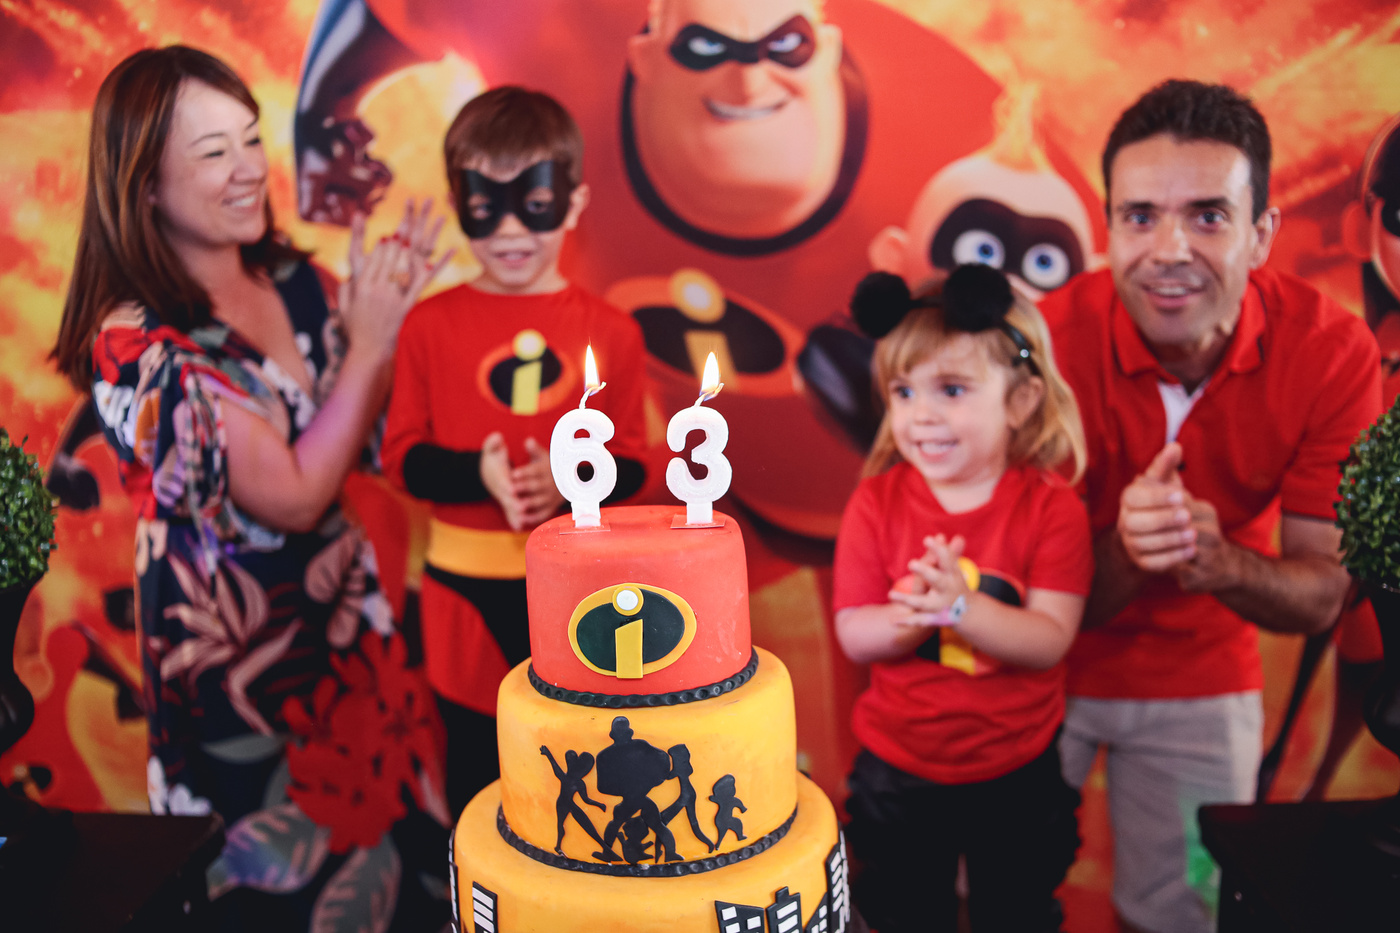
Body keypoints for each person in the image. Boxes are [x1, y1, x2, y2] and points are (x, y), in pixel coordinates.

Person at [50, 46, 453, 931]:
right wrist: (371, 346)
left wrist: (396, 322)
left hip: (354, 641)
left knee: (407, 886)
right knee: (280, 901)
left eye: (249, 139)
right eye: (212, 152)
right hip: (239, 681)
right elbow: (297, 494)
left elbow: (365, 445)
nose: (247, 169)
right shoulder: (136, 344)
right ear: (145, 188)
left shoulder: (298, 279)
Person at [1041, 79, 1384, 933]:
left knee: (1188, 913)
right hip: (1039, 662)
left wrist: (1217, 559)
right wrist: (1130, 549)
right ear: (1107, 228)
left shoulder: (1332, 351)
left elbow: (1321, 595)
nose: (1169, 250)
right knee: (994, 893)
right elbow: (1024, 591)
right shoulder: (1041, 344)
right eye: (1140, 216)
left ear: (1261, 234)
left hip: (1205, 674)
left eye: (1207, 216)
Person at [380, 86, 649, 817]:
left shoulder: (613, 332)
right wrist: (479, 471)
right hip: (460, 590)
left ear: (573, 201)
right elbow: (401, 457)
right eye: (484, 206)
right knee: (476, 773)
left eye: (532, 204)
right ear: (457, 203)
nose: (508, 230)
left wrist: (566, 482)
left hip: (577, 588)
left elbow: (635, 463)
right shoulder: (428, 326)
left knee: (586, 770)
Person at [832, 263, 1092, 933]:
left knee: (1018, 911)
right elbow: (854, 631)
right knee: (901, 912)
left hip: (1017, 767)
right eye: (903, 390)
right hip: (899, 766)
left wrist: (960, 609)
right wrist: (911, 614)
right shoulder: (875, 502)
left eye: (951, 389)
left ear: (1021, 400)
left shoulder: (1051, 508)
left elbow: (1050, 637)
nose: (921, 414)